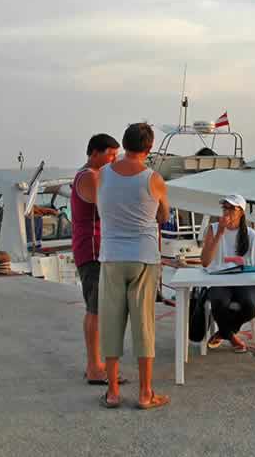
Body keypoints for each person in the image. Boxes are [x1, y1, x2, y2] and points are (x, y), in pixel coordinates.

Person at [96, 123, 170, 409]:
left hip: (112, 256)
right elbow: (163, 215)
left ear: (124, 144)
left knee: (111, 324)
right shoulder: (154, 179)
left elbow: (101, 207)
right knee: (144, 326)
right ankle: (145, 393)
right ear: (149, 148)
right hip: (143, 257)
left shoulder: (103, 174)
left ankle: (113, 392)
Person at [71, 133, 120, 385]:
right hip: (91, 249)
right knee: (96, 309)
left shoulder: (95, 175)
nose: (114, 159)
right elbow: (106, 206)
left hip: (98, 248)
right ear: (95, 153)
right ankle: (93, 366)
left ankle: (98, 364)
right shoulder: (88, 176)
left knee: (99, 308)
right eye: (111, 154)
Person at [200, 195, 255, 352]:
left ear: (241, 212)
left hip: (244, 280)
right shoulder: (213, 229)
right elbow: (205, 262)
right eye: (225, 208)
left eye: (231, 208)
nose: (227, 212)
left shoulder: (250, 234)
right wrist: (220, 234)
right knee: (218, 301)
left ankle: (223, 332)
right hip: (220, 279)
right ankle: (232, 336)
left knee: (250, 306)